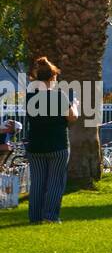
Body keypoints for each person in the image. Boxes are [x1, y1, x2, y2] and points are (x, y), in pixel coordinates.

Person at [24, 56, 79, 224]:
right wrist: (75, 104)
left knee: (37, 183)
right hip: (57, 145)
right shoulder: (59, 96)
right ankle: (50, 216)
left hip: (35, 145)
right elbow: (72, 117)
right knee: (55, 182)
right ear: (52, 77)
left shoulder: (30, 96)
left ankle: (35, 217)